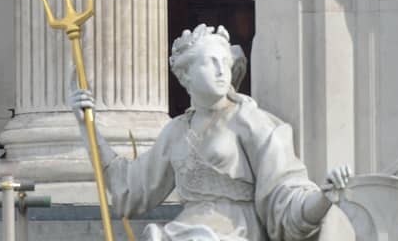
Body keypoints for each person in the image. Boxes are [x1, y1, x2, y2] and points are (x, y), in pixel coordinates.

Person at [68, 23, 351, 240]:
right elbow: (131, 189)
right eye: (210, 62)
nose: (221, 70)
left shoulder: (251, 121)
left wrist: (323, 199)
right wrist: (87, 127)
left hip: (234, 232)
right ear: (186, 75)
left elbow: (286, 195)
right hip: (183, 230)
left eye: (224, 62)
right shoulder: (176, 132)